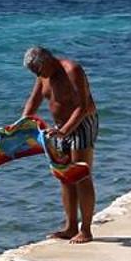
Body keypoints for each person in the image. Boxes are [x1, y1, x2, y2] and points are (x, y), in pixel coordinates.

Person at [19, 45, 99, 244]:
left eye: (39, 70)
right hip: (59, 128)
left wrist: (64, 132)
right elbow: (34, 100)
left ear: (47, 60)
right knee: (64, 176)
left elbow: (84, 105)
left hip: (81, 123)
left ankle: (86, 230)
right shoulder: (42, 76)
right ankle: (70, 226)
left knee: (80, 173)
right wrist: (22, 123)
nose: (38, 75)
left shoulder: (72, 70)